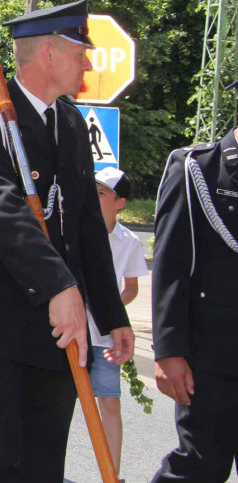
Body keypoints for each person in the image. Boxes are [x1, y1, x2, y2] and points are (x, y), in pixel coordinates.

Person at [0, 0, 135, 482]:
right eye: (81, 51)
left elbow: (86, 227)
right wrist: (57, 285)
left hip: (60, 327)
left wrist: (110, 314)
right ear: (48, 53)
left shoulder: (70, 122)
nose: (87, 62)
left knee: (41, 467)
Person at [151, 124, 238, 482]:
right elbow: (170, 264)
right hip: (212, 357)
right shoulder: (196, 168)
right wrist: (168, 349)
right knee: (199, 467)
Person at [85, 167, 148, 481]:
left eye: (102, 193)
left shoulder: (128, 241)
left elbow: (132, 287)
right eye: (92, 190)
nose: (94, 197)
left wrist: (109, 311)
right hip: (71, 334)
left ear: (120, 202)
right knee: (56, 401)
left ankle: (112, 475)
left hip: (105, 338)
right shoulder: (76, 232)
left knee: (109, 403)